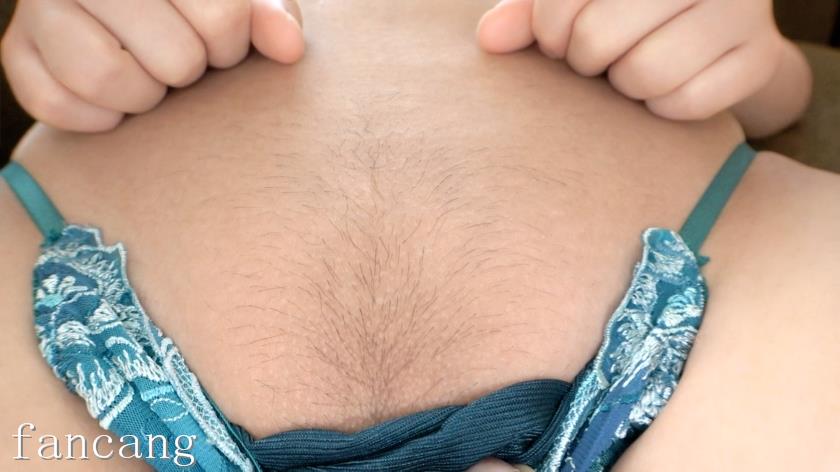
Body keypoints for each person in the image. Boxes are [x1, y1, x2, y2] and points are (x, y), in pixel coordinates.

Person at [0, 1, 838, 471]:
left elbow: (774, 95)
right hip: (71, 322)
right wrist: (70, 30)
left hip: (709, 327)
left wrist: (750, 54)